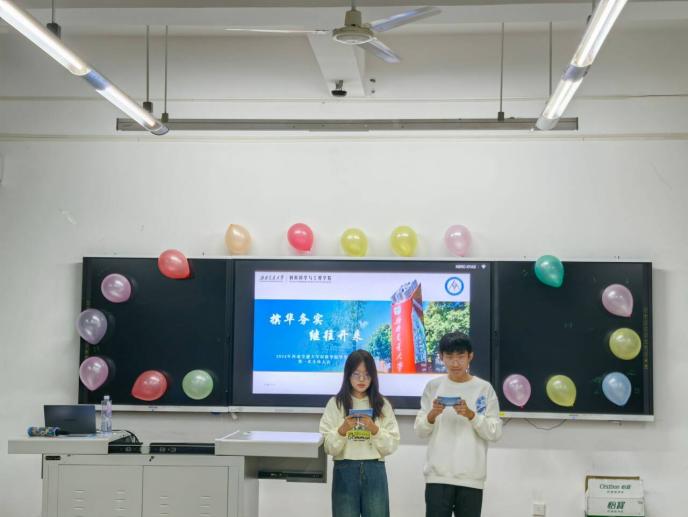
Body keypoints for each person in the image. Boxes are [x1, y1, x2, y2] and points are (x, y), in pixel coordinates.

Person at [414, 332, 503, 517]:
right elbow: (420, 431)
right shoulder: (433, 386)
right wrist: (432, 415)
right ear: (441, 357)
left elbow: (495, 432)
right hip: (437, 477)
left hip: (471, 478)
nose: (455, 363)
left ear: (470, 356)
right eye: (449, 356)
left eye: (461, 356)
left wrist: (472, 415)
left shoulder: (484, 388)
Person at [320, 349, 400, 517]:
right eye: (356, 374)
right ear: (348, 375)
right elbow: (327, 447)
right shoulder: (335, 404)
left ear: (373, 376)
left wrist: (375, 430)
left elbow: (392, 445)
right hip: (344, 468)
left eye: (367, 374)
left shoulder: (382, 404)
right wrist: (342, 431)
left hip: (374, 469)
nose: (362, 379)